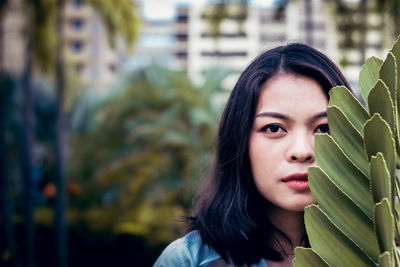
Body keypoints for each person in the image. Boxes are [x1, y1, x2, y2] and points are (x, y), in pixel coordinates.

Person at [154, 43, 352, 267]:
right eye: (274, 128)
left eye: (323, 128)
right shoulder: (187, 261)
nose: (301, 151)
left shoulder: (384, 258)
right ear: (240, 141)